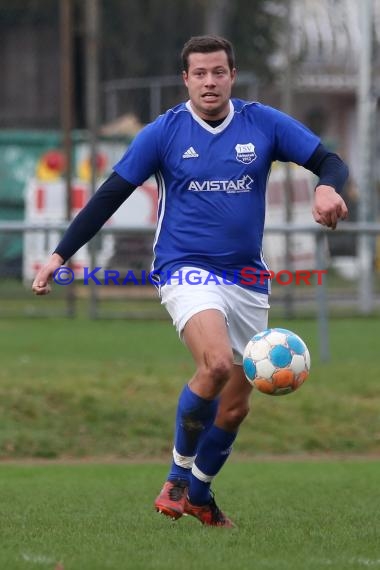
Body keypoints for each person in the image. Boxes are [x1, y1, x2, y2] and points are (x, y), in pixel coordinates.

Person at [32, 35, 349, 528]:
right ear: (185, 79)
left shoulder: (261, 122)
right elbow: (109, 194)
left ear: (231, 75)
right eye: (199, 73)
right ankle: (177, 477)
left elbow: (328, 159)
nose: (209, 81)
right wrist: (59, 254)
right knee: (217, 363)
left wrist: (327, 185)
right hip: (185, 268)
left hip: (247, 277)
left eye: (218, 72)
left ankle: (200, 494)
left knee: (235, 409)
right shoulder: (164, 132)